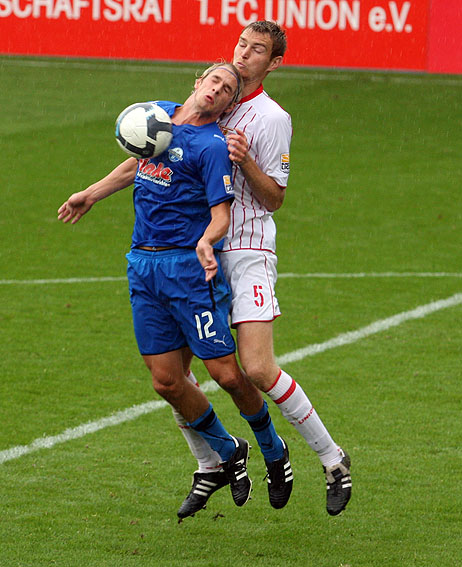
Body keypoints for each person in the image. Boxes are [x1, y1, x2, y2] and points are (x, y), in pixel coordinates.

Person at [58, 62, 294, 514]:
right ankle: (228, 451)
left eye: (228, 90)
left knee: (227, 375)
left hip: (188, 271)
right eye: (214, 81)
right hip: (143, 265)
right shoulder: (158, 116)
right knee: (166, 381)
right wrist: (91, 193)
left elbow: (221, 214)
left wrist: (207, 241)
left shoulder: (212, 146)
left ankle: (272, 447)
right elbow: (137, 163)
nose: (218, 90)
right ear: (198, 82)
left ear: (228, 104)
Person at [176, 22, 352, 519]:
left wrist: (246, 160)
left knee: (257, 368)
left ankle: (332, 459)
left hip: (248, 250)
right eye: (241, 45)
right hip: (200, 251)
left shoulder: (272, 118)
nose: (244, 55)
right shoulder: (215, 96)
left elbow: (274, 197)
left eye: (257, 51)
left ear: (273, 63)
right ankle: (210, 462)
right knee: (173, 374)